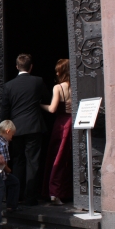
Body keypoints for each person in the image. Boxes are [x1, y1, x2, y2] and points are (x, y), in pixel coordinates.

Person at [1, 54, 47, 206]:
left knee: (18, 161)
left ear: (16, 67)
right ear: (31, 67)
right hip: (34, 127)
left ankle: (17, 195)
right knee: (33, 162)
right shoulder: (38, 81)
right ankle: (31, 197)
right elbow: (46, 97)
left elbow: (5, 109)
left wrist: (5, 130)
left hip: (16, 129)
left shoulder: (9, 86)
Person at [41, 59, 73, 205]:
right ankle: (68, 191)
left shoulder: (58, 87)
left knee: (57, 157)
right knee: (69, 158)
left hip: (61, 124)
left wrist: (39, 105)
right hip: (73, 122)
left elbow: (52, 109)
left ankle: (54, 192)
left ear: (61, 72)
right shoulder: (76, 85)